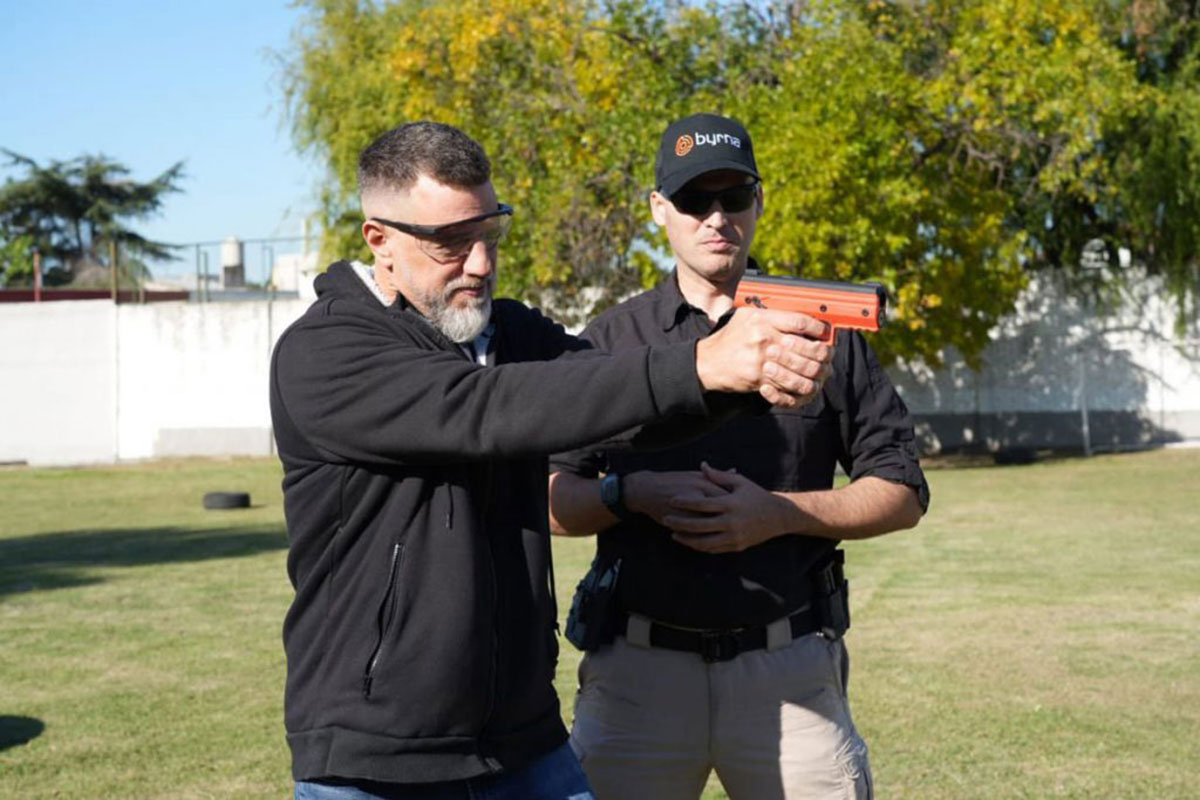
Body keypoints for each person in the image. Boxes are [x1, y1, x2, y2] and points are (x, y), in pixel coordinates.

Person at [269, 121, 835, 800]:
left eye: (491, 234)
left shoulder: (506, 332)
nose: (480, 263)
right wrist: (700, 364)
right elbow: (486, 410)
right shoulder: (326, 352)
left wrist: (746, 379)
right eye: (452, 243)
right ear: (379, 239)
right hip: (375, 760)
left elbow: (614, 400)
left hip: (525, 745)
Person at [548, 112, 931, 800]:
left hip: (789, 670)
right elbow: (550, 498)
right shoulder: (612, 340)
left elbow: (902, 491)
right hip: (637, 676)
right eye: (694, 200)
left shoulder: (823, 330)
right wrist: (631, 496)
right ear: (659, 209)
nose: (717, 218)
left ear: (759, 201)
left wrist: (778, 514)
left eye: (733, 197)